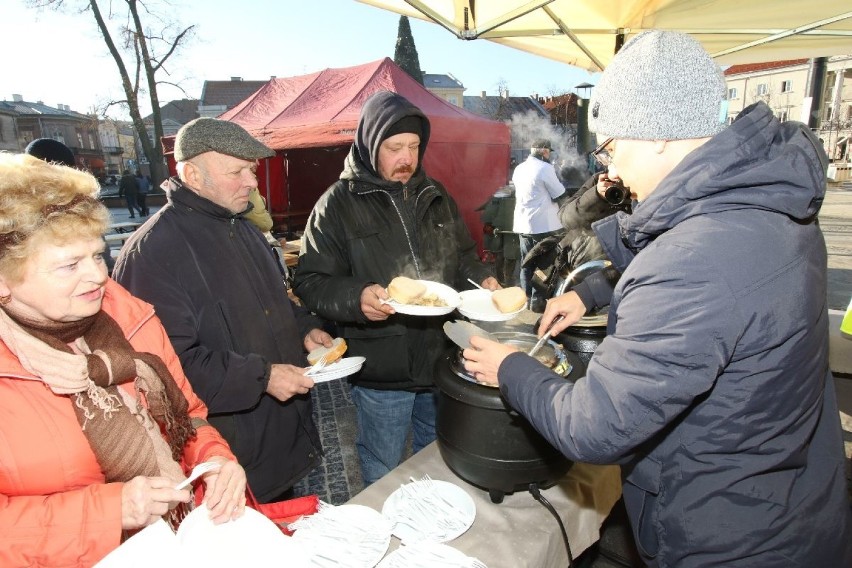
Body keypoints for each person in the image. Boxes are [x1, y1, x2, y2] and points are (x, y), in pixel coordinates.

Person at [464, 30, 852, 567]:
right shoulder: (767, 197)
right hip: (798, 503)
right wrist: (592, 290)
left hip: (729, 539)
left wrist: (511, 368)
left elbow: (594, 427)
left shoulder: (694, 261)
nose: (613, 169)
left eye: (613, 144)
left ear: (659, 135)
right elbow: (676, 246)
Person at [0, 153, 247, 565]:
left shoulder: (126, 313)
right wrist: (108, 512)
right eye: (69, 265)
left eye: (97, 255)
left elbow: (188, 414)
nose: (98, 276)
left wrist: (213, 459)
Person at [113, 117, 330, 504]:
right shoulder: (153, 254)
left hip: (278, 439)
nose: (252, 182)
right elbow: (163, 370)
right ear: (193, 175)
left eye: (252, 169)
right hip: (223, 461)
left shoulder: (244, 227)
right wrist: (261, 378)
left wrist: (304, 329)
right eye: (238, 171)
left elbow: (273, 306)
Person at [293, 90, 498, 485]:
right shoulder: (337, 204)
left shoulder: (435, 195)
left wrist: (480, 279)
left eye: (414, 146)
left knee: (435, 459)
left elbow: (464, 256)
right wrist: (356, 297)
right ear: (371, 146)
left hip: (440, 358)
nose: (406, 158)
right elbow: (310, 281)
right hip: (382, 368)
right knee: (383, 468)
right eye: (394, 147)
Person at [512, 139, 566, 312]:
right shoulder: (545, 168)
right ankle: (537, 301)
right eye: (548, 152)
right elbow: (559, 193)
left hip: (523, 224)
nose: (549, 155)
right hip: (543, 225)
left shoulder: (519, 168)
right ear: (544, 152)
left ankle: (523, 300)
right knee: (543, 264)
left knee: (526, 263)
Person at [480, 183, 520, 287]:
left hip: (502, 228)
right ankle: (505, 280)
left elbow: (489, 210)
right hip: (510, 229)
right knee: (508, 254)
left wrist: (488, 222)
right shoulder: (521, 192)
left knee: (502, 254)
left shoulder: (503, 191)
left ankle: (502, 279)